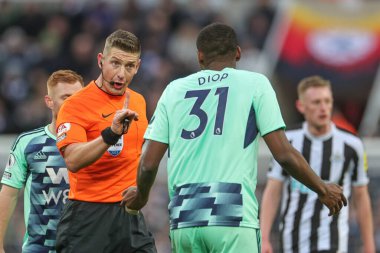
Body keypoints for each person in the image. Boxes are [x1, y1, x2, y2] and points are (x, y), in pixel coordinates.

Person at [122, 23, 347, 253]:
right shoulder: (255, 84)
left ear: (200, 57)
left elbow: (149, 163)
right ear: (238, 53)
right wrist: (322, 189)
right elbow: (284, 154)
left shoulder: (173, 90)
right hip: (233, 216)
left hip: (184, 218)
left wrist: (141, 196)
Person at [54, 29, 156, 253]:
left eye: (129, 66)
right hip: (88, 217)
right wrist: (111, 134)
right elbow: (72, 159)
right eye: (115, 63)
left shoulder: (138, 101)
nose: (121, 73)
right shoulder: (76, 105)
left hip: (129, 214)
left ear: (138, 67)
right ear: (101, 61)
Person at [260, 76, 376, 253]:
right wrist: (264, 237)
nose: (323, 108)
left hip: (332, 242)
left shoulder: (352, 144)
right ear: (301, 106)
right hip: (291, 240)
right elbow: (273, 189)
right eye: (316, 102)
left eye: (327, 101)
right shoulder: (286, 142)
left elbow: (361, 196)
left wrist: (369, 246)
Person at [0, 70, 84, 253]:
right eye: (66, 97)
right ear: (49, 102)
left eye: (77, 97)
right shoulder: (29, 143)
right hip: (39, 248)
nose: (73, 103)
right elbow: (8, 193)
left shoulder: (95, 143)